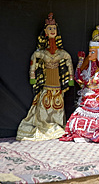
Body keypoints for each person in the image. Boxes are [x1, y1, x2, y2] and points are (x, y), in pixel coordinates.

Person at [17, 13, 74, 141]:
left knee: (58, 106)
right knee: (44, 105)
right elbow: (33, 61)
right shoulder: (41, 53)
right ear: (45, 32)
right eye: (50, 29)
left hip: (58, 85)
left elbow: (69, 62)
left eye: (54, 28)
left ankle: (57, 126)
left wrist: (70, 79)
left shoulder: (61, 53)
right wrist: (33, 76)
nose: (52, 31)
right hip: (46, 84)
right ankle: (45, 126)